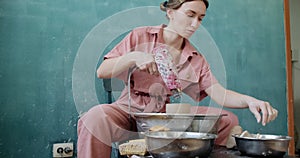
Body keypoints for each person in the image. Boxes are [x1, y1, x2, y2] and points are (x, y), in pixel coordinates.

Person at [77, 0, 278, 157]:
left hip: (166, 118)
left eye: (200, 18)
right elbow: (102, 70)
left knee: (226, 120)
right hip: (128, 111)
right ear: (170, 12)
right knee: (94, 118)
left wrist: (251, 101)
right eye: (190, 15)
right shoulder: (140, 36)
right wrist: (134, 57)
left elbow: (220, 94)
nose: (195, 24)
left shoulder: (195, 58)